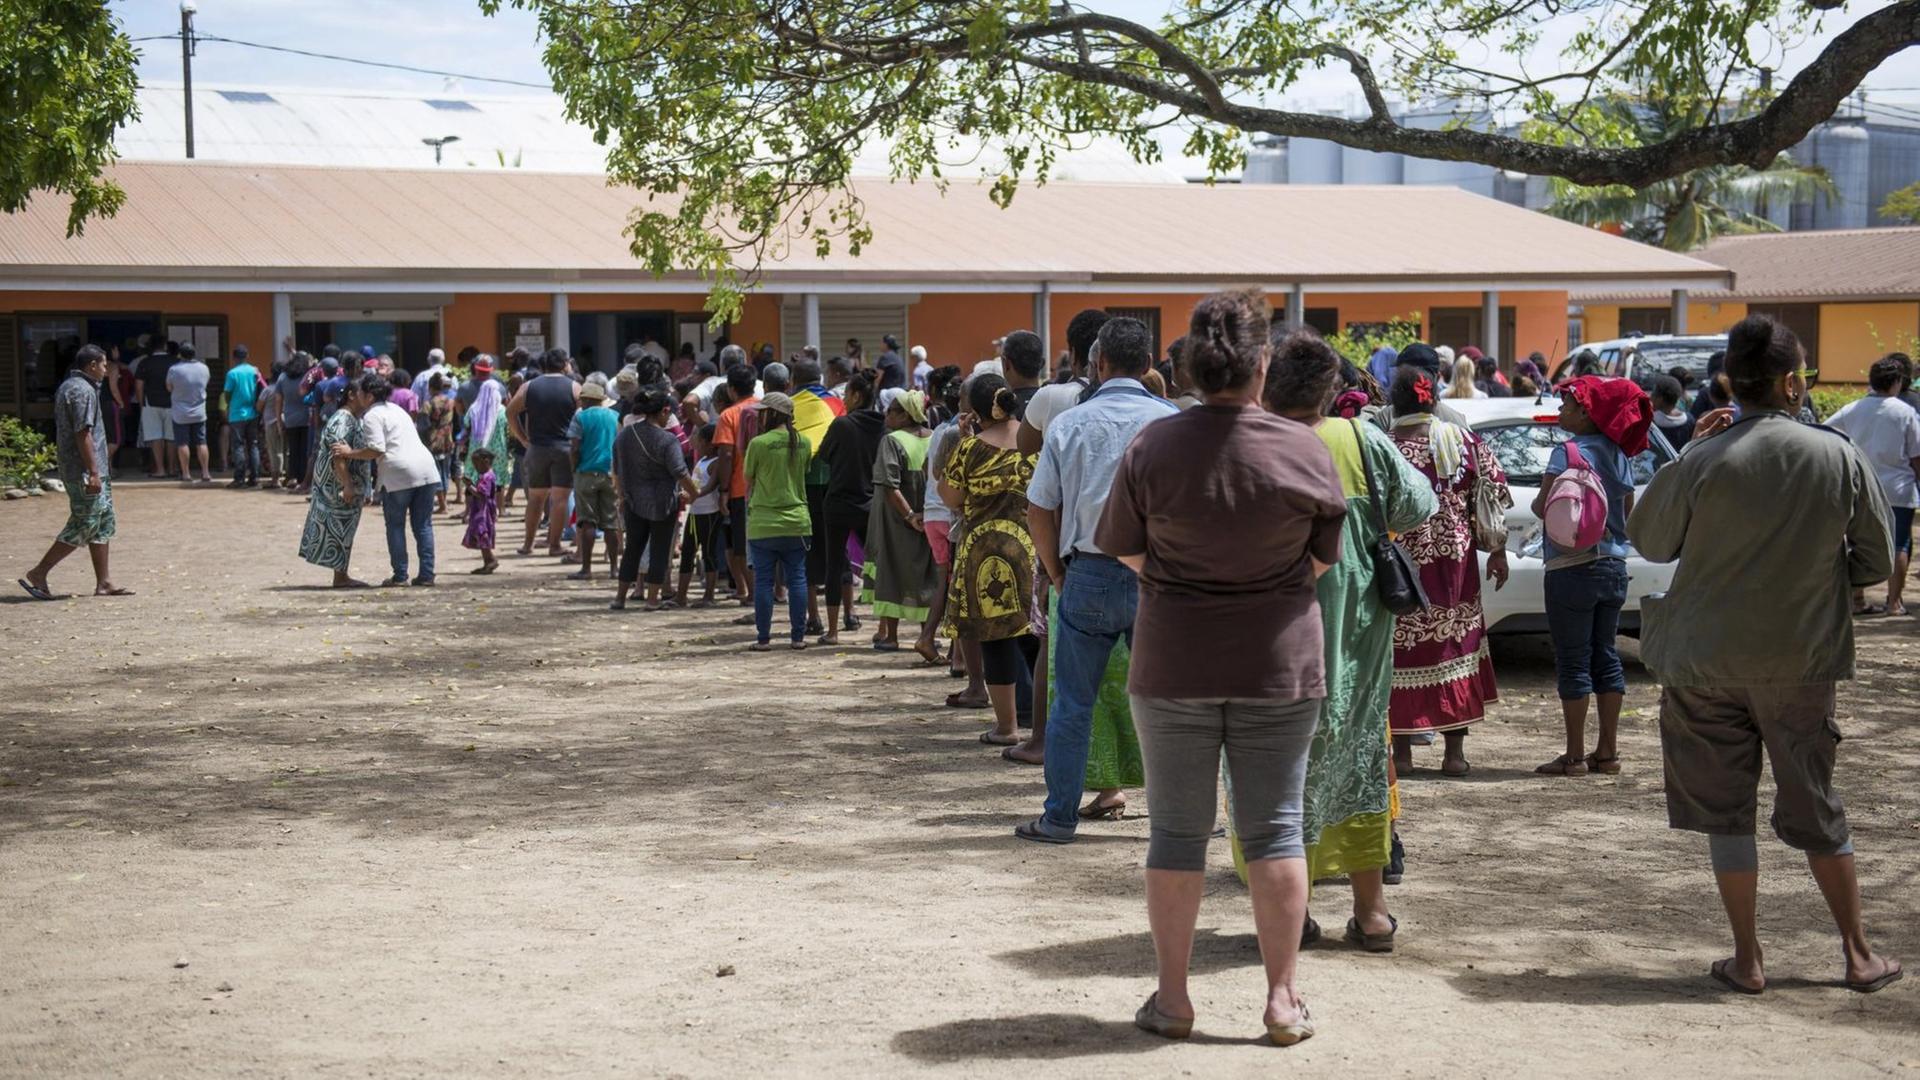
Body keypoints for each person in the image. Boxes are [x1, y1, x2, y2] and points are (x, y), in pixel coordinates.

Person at [1096, 290, 1345, 1046]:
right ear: (1262, 363)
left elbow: (1126, 550)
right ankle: (1281, 999)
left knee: (1175, 833)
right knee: (1276, 830)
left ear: (1187, 369)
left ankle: (1173, 999)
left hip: (1173, 659)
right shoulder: (1305, 449)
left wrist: (1178, 579)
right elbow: (1319, 563)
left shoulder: (1152, 448)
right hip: (1278, 663)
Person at [1627, 312, 1902, 996]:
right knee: (1815, 804)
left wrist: (1690, 452)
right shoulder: (1836, 454)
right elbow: (1871, 561)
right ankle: (1858, 953)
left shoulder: (1704, 459)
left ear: (1729, 382)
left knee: (1726, 810)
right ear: (1791, 382)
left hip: (1703, 663)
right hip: (1800, 660)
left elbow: (1651, 542)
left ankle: (1747, 958)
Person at [1260, 327, 1437, 945]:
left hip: (1268, 644)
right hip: (1358, 638)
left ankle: (1293, 915)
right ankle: (1371, 915)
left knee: (1276, 775)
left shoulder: (1250, 445)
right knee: (1360, 761)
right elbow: (1420, 506)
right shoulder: (1361, 439)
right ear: (1332, 389)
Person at [1013, 316, 1177, 844]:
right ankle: (1183, 821)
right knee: (1173, 705)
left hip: (1086, 572)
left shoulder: (1069, 425)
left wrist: (1058, 572)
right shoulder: (1169, 423)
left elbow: (1040, 507)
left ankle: (1059, 817)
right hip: (1157, 578)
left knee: (1073, 704)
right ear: (1149, 365)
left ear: (1098, 364)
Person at [1387, 366, 1510, 776]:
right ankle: (1453, 755)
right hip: (1452, 565)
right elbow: (1495, 492)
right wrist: (1498, 551)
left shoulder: (1383, 447)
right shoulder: (1463, 441)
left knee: (1399, 653)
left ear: (1394, 403)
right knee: (1453, 647)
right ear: (1432, 401)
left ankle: (1401, 753)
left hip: (1400, 568)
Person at [1532, 375, 1647, 776]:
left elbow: (1541, 507)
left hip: (1570, 568)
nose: (1561, 411)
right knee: (1607, 655)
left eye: (1566, 405)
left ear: (1586, 411)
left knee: (1573, 660)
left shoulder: (1566, 453)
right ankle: (1609, 753)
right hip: (1614, 567)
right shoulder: (1620, 455)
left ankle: (1574, 755)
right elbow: (1627, 515)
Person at [939, 374, 1039, 747]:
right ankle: (1043, 724)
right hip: (1031, 548)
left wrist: (966, 442)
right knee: (1035, 636)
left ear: (977, 412)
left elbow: (950, 497)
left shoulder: (970, 448)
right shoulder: (1036, 443)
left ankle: (1006, 727)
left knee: (995, 639)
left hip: (984, 554)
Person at [18, 346, 133, 600]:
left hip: (94, 468)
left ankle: (103, 582)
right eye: (104, 365)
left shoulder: (77, 387)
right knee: (85, 522)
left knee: (102, 523)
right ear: (92, 365)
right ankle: (39, 572)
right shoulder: (80, 390)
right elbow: (83, 432)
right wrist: (93, 471)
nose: (106, 369)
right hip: (83, 470)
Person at [1825, 354, 1920, 616]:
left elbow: (1824, 431)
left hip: (1860, 487)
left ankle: (1857, 600)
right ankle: (1894, 603)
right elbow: (1916, 456)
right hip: (1898, 489)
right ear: (1898, 381)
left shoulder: (1852, 408)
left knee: (1855, 541)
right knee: (1899, 544)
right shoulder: (1905, 412)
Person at [332, 373, 443, 587]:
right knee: (423, 526)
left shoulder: (372, 416)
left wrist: (350, 452)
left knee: (395, 525)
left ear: (369, 395)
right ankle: (427, 574)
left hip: (398, 473)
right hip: (426, 470)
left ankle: (400, 576)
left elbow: (376, 449)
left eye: (362, 393)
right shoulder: (397, 410)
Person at [865, 389, 941, 657]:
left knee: (893, 570)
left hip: (898, 521)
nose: (886, 415)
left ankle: (892, 636)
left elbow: (889, 485)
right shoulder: (935, 438)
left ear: (905, 415)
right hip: (930, 517)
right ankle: (926, 634)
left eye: (892, 411)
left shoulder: (891, 441)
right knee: (927, 573)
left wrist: (909, 516)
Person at [611, 389, 700, 611]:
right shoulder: (667, 440)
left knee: (632, 549)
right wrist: (695, 493)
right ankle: (652, 600)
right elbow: (680, 472)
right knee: (660, 550)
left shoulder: (624, 436)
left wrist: (622, 496)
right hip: (663, 503)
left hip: (633, 501)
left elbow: (618, 469)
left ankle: (620, 598)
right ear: (664, 411)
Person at [814, 372, 885, 644]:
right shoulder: (882, 426)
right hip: (870, 503)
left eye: (846, 395)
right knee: (879, 566)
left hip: (838, 503)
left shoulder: (841, 425)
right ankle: (883, 628)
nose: (844, 400)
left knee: (835, 565)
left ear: (856, 396)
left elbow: (824, 455)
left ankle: (832, 632)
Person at [742, 392, 813, 649]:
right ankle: (797, 638)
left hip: (764, 523)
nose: (759, 415)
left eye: (763, 411)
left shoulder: (758, 444)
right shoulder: (804, 442)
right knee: (797, 579)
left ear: (771, 413)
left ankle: (763, 638)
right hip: (798, 522)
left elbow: (748, 479)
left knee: (763, 581)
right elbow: (803, 473)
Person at [298, 374, 376, 589]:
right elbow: (338, 455)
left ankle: (341, 574)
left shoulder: (352, 419)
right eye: (364, 394)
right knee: (340, 528)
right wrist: (348, 485)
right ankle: (340, 577)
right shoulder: (343, 419)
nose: (369, 398)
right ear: (351, 395)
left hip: (340, 485)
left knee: (344, 528)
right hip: (338, 487)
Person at [507, 348, 580, 559]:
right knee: (559, 499)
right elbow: (583, 414)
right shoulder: (574, 387)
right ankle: (554, 544)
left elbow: (511, 411)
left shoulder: (529, 386)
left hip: (536, 448)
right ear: (564, 364)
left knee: (535, 499)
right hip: (564, 449)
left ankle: (527, 544)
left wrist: (522, 438)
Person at [711, 361, 761, 608]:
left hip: (741, 488)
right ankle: (768, 592)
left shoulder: (729, 415)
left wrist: (723, 490)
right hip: (768, 487)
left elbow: (726, 454)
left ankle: (754, 597)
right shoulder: (766, 409)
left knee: (742, 548)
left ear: (731, 389)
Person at [568, 380, 623, 582]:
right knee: (610, 522)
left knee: (587, 521)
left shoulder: (580, 417)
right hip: (610, 473)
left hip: (586, 472)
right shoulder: (615, 417)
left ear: (586, 399)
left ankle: (587, 568)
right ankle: (614, 568)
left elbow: (574, 447)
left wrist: (574, 468)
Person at [676, 423, 725, 608]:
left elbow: (711, 486)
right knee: (687, 551)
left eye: (700, 441)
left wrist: (693, 495)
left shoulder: (716, 463)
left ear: (709, 443)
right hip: (696, 512)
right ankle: (681, 595)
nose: (696, 444)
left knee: (709, 553)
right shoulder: (701, 461)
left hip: (709, 513)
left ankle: (709, 595)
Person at [166, 343, 214, 484]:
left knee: (182, 443)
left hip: (180, 413)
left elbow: (169, 387)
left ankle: (186, 473)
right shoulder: (204, 368)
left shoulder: (174, 369)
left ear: (180, 354)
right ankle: (205, 472)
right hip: (199, 411)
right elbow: (206, 383)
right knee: (201, 442)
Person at [222, 344, 266, 488]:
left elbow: (227, 394)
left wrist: (230, 404)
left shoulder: (232, 374)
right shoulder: (255, 371)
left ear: (234, 358)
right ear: (247, 356)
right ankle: (255, 477)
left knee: (238, 446)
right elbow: (262, 388)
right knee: (253, 445)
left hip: (236, 414)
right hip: (252, 413)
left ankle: (239, 478)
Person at [134, 340, 177, 478]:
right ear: (165, 347)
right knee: (171, 438)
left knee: (155, 437)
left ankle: (160, 469)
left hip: (150, 403)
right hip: (173, 404)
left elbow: (139, 386)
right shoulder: (175, 362)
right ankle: (172, 469)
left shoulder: (145, 362)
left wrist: (141, 405)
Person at [275, 352, 314, 492]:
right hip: (306, 417)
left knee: (292, 449)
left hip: (290, 418)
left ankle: (291, 477)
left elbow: (278, 400)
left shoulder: (282, 377)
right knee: (304, 450)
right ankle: (303, 479)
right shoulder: (308, 377)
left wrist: (279, 419)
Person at [423, 373, 459, 514]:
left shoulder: (428, 404)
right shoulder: (451, 402)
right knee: (445, 471)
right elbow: (456, 421)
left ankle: (442, 504)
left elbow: (423, 425)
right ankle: (444, 503)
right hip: (447, 440)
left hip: (433, 441)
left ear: (431, 388)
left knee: (435, 472)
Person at [462, 447, 501, 575]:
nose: (475, 466)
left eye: (477, 463)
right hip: (481, 510)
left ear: (486, 461)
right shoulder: (485, 475)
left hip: (484, 512)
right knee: (480, 534)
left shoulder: (487, 477)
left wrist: (469, 485)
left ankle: (490, 559)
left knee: (482, 533)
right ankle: (487, 561)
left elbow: (481, 494)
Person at [1650, 374, 1695, 451]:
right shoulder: (1690, 420)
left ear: (1660, 399)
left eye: (1653, 393)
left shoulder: (1651, 422)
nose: (1650, 396)